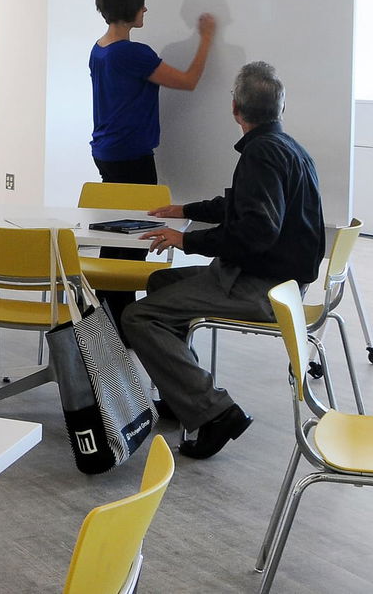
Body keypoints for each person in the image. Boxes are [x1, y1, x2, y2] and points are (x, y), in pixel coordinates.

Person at [120, 61, 325, 460]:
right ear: (281, 108)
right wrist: (187, 208)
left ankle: (215, 411)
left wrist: (186, 239)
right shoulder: (287, 148)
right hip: (282, 283)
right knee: (162, 284)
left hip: (261, 288)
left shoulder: (261, 155)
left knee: (138, 317)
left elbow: (255, 232)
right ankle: (185, 395)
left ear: (235, 109)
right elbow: (243, 207)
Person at [89, 0, 215, 327]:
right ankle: (122, 321)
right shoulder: (132, 53)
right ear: (130, 9)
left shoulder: (99, 49)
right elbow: (189, 82)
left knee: (116, 235)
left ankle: (110, 317)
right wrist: (205, 39)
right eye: (142, 4)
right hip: (131, 155)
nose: (146, 9)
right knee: (132, 238)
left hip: (107, 150)